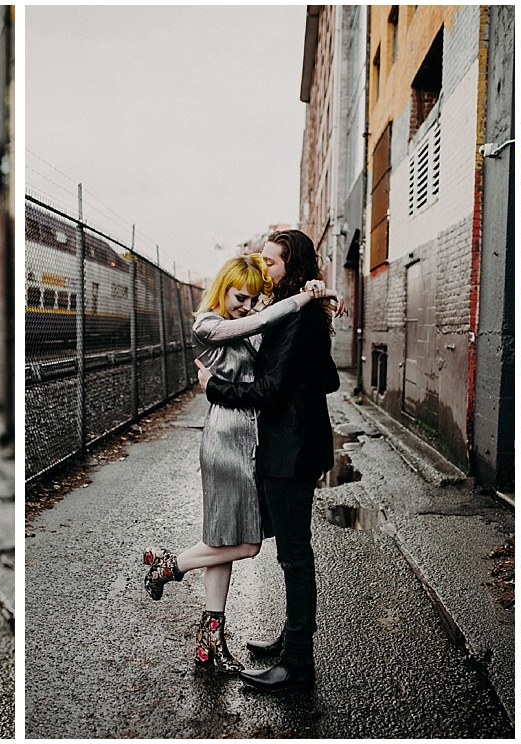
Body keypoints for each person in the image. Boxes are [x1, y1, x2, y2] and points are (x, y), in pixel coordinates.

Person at [143, 253, 335, 673]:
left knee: (223, 540)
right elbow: (258, 325)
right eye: (239, 297)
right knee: (245, 543)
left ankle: (210, 641)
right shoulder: (207, 324)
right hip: (228, 437)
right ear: (222, 287)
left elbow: (278, 343)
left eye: (252, 300)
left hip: (252, 435)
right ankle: (169, 565)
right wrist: (303, 298)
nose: (245, 307)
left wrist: (318, 305)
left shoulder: (252, 315)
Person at [194, 229, 338, 692]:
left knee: (295, 556)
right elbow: (329, 379)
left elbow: (271, 390)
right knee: (290, 553)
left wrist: (215, 388)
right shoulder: (299, 310)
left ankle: (297, 664)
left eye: (272, 262)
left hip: (288, 450)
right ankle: (289, 642)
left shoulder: (299, 314)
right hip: (292, 444)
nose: (264, 269)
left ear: (291, 265)